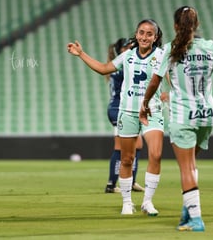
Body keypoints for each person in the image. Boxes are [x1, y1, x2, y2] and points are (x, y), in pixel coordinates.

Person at [139, 6, 213, 231]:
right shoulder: (209, 47)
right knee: (192, 165)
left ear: (176, 25)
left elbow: (155, 82)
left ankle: (196, 219)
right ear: (197, 25)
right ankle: (187, 212)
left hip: (182, 115)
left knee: (186, 168)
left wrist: (145, 104)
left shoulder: (169, 49)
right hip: (206, 116)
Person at [67, 18, 165, 216]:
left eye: (149, 34)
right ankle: (127, 203)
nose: (144, 37)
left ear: (155, 38)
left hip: (152, 111)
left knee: (155, 154)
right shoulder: (127, 55)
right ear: (136, 35)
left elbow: (172, 78)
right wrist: (81, 54)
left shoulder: (162, 56)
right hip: (127, 112)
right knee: (127, 158)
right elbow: (104, 68)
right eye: (141, 32)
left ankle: (147, 202)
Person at [105, 38, 144, 193]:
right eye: (127, 47)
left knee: (138, 145)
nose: (131, 48)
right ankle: (111, 184)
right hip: (118, 108)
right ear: (121, 50)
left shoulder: (122, 63)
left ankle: (131, 181)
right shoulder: (121, 65)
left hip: (124, 107)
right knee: (120, 146)